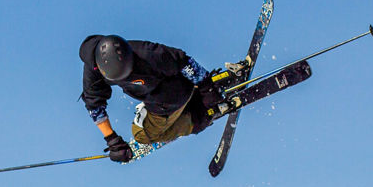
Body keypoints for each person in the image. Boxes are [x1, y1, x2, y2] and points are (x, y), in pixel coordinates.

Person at [79, 35, 249, 162]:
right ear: (99, 68)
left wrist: (208, 89)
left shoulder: (143, 52)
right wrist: (112, 140)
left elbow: (183, 60)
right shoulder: (93, 73)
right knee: (156, 96)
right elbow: (94, 105)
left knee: (141, 135)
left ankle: (198, 116)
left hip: (168, 100)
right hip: (174, 88)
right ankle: (206, 91)